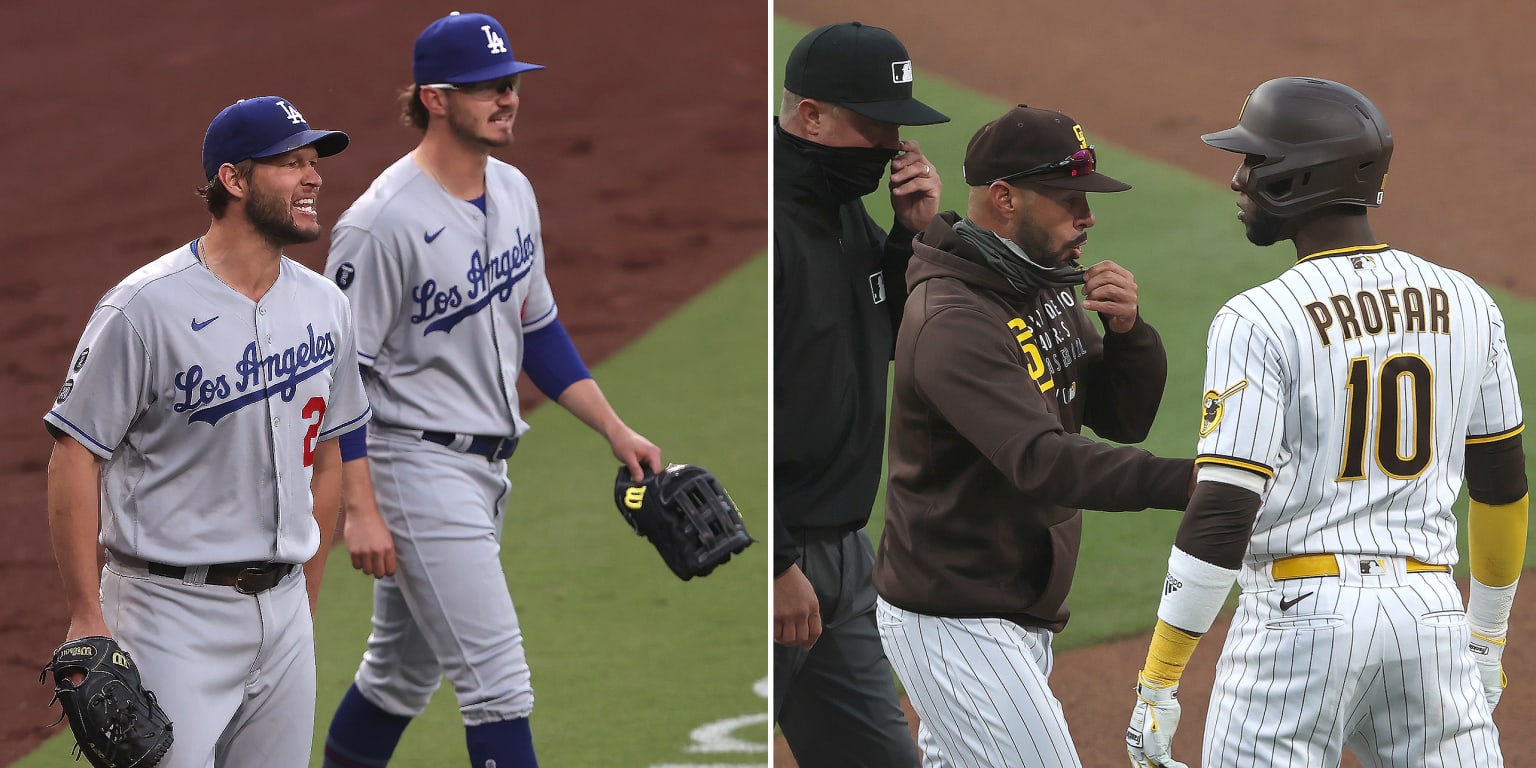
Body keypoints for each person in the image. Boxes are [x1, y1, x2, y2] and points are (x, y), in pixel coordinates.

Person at [1123, 77, 1527, 768]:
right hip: (1430, 620)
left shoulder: (1259, 317)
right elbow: (1502, 487)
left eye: (1254, 162)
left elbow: (1222, 507)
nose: (1236, 179)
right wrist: (1485, 638)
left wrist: (1159, 676)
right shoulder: (1469, 304)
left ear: (1299, 177)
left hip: (1300, 626)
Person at [319, 12, 661, 768]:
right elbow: (338, 378)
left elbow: (538, 326)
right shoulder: (381, 224)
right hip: (414, 469)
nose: (507, 99)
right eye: (486, 89)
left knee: (400, 676)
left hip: (485, 469)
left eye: (511, 84)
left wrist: (614, 427)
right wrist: (361, 507)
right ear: (435, 99)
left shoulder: (512, 190)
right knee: (498, 687)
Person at [43, 95, 367, 767]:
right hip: (167, 613)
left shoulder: (326, 305)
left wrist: (305, 592)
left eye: (314, 162)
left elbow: (329, 451)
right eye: (290, 163)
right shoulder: (144, 308)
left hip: (282, 616)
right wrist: (85, 615)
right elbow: (75, 451)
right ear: (234, 179)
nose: (314, 178)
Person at [871, 104, 1196, 767]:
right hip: (958, 618)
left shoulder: (1038, 284)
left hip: (1013, 605)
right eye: (1069, 199)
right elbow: (1042, 461)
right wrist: (1196, 481)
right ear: (1004, 198)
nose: (1088, 217)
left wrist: (1129, 338)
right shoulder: (952, 320)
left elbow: (1119, 417)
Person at [773, 20, 947, 767]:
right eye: (876, 127)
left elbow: (889, 336)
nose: (892, 150)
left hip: (845, 551)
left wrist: (912, 234)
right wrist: (775, 565)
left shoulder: (841, 204)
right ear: (810, 115)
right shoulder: (774, 225)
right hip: (777, 560)